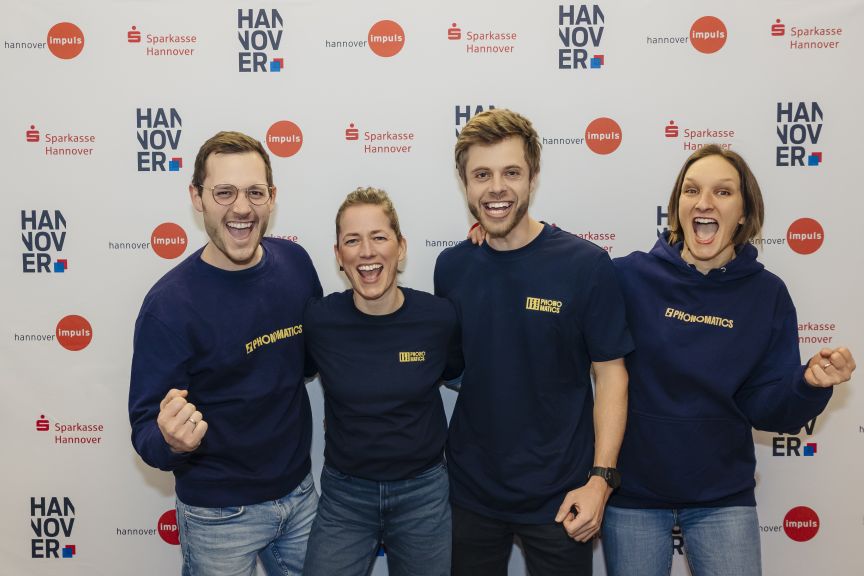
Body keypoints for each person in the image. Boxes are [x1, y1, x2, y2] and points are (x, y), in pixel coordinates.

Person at [601, 144, 856, 576]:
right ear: (677, 207)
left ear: (744, 213)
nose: (704, 202)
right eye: (692, 190)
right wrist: (496, 236)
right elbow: (560, 283)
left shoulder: (768, 294)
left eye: (722, 192)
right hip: (632, 497)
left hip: (722, 499)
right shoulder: (627, 277)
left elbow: (767, 408)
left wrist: (809, 385)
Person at [434, 108, 633, 576]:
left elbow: (612, 375)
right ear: (465, 183)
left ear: (533, 177)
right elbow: (455, 367)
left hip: (561, 497)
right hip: (470, 495)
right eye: (482, 175)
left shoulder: (585, 265)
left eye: (511, 173)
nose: (496, 188)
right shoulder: (452, 267)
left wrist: (601, 480)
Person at [129, 131, 322, 576]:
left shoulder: (296, 264)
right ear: (197, 197)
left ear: (272, 197)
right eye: (224, 193)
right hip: (218, 515)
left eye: (255, 192)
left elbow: (310, 361)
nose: (241, 208)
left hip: (299, 495)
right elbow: (146, 431)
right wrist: (171, 442)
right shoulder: (169, 307)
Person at [302, 187, 462, 575]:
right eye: (352, 240)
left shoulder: (438, 317)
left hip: (423, 494)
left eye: (378, 237)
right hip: (345, 496)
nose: (367, 251)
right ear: (338, 255)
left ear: (400, 247)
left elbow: (457, 376)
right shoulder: (319, 321)